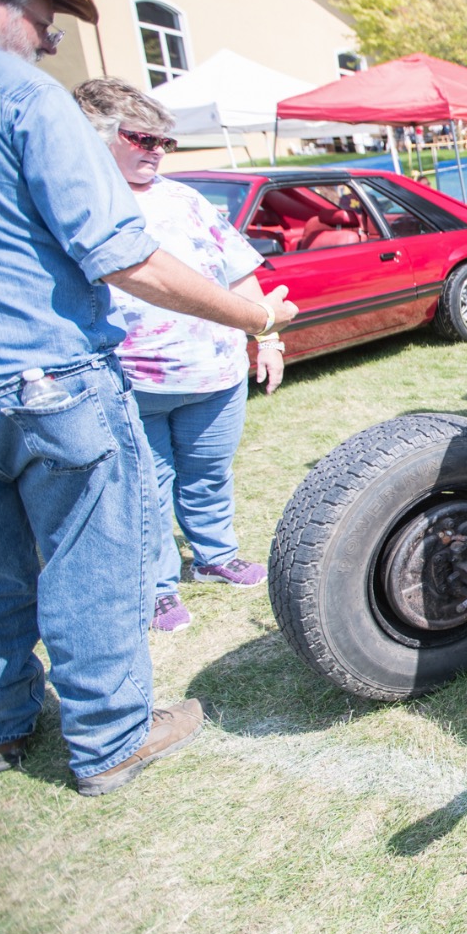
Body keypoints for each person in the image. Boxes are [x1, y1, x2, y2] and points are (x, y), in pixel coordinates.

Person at [0, 0, 296, 793]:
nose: (50, 43)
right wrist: (250, 315)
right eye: (44, 24)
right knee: (90, 556)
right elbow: (123, 254)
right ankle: (110, 737)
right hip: (48, 370)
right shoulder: (22, 100)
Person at [75, 78, 285, 634]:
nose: (156, 151)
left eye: (164, 142)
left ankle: (216, 555)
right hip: (132, 381)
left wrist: (266, 339)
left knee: (209, 474)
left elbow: (238, 269)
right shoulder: (82, 203)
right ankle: (158, 588)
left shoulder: (185, 198)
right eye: (142, 138)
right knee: (146, 491)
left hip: (214, 373)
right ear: (97, 136)